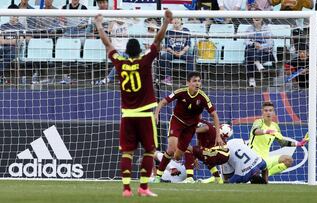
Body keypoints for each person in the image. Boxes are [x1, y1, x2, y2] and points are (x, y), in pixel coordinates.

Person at [94, 10, 173, 197]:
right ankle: (144, 187)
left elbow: (107, 44)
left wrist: (98, 24)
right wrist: (166, 22)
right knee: (150, 150)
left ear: (127, 51)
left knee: (127, 153)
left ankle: (126, 189)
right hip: (145, 114)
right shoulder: (145, 62)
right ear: (139, 50)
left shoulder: (120, 63)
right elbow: (157, 41)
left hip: (127, 115)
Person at [153, 71, 225, 183]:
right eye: (194, 81)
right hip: (177, 121)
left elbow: (214, 115)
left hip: (190, 128)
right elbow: (163, 102)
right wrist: (156, 113)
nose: (197, 83)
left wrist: (218, 136)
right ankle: (158, 176)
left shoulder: (203, 97)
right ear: (188, 83)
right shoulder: (180, 92)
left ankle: (172, 165)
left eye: (199, 81)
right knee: (171, 148)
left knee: (177, 156)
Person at [248, 102, 308, 176]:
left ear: (274, 113)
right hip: (252, 159)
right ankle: (259, 174)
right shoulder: (258, 122)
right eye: (266, 110)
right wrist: (267, 131)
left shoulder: (275, 126)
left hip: (265, 160)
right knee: (255, 179)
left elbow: (282, 142)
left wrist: (298, 144)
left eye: (270, 110)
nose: (268, 113)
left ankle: (267, 174)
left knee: (288, 160)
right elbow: (255, 131)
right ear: (262, 113)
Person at [160, 18, 193, 86]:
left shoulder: (186, 31)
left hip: (183, 52)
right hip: (172, 52)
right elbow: (167, 47)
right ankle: (168, 78)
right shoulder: (169, 32)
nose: (176, 20)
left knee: (190, 57)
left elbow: (188, 45)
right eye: (174, 19)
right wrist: (174, 52)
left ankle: (190, 80)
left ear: (181, 20)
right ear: (171, 21)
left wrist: (182, 52)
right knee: (165, 56)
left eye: (178, 18)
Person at [244, 18, 274, 87]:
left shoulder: (267, 29)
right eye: (255, 19)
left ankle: (251, 79)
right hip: (253, 50)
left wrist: (261, 46)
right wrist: (254, 43)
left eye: (258, 19)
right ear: (253, 20)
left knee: (249, 55)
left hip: (264, 52)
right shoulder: (249, 29)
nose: (256, 21)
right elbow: (246, 41)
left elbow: (270, 44)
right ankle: (257, 63)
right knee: (249, 49)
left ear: (262, 19)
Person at [0, 5, 26, 72]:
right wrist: (13, 41)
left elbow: (19, 41)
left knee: (10, 55)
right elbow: (1, 41)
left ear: (17, 15)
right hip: (4, 48)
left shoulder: (21, 27)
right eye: (11, 15)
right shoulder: (3, 26)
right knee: (6, 54)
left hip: (16, 49)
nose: (13, 17)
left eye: (14, 15)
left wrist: (6, 40)